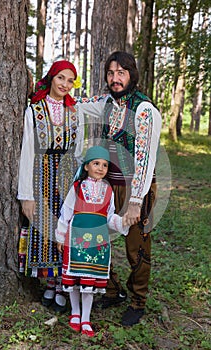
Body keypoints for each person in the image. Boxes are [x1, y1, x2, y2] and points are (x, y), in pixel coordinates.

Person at [75, 51, 162, 326]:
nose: (115, 78)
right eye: (111, 73)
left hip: (136, 186)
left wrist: (136, 200)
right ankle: (112, 290)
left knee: (136, 245)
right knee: (101, 235)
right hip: (108, 181)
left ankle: (138, 301)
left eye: (121, 73)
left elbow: (145, 158)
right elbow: (75, 104)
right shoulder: (105, 102)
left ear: (131, 74)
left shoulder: (144, 109)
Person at [17, 60, 84, 312]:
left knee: (63, 229)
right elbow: (27, 153)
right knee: (44, 230)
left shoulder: (76, 112)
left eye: (70, 80)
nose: (65, 84)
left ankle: (60, 284)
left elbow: (78, 153)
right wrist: (26, 195)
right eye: (61, 78)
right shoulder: (34, 111)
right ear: (51, 78)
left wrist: (78, 189)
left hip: (66, 180)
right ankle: (49, 283)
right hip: (40, 177)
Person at [55, 146, 129, 337]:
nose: (100, 168)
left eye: (104, 165)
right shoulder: (77, 187)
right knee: (74, 277)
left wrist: (122, 222)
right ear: (87, 166)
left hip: (98, 243)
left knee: (89, 280)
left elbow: (110, 216)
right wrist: (60, 235)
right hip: (75, 239)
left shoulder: (109, 190)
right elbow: (66, 213)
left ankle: (86, 318)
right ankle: (75, 313)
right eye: (96, 163)